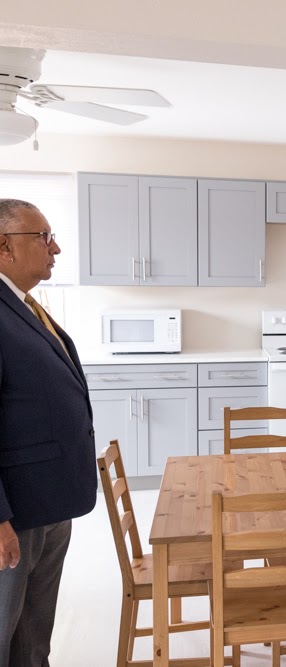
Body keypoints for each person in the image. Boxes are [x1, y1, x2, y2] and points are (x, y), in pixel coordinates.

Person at [0, 199, 98, 666]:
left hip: (47, 502)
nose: (54, 248)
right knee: (5, 628)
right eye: (43, 237)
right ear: (4, 246)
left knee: (34, 631)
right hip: (15, 513)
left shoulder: (22, 305)